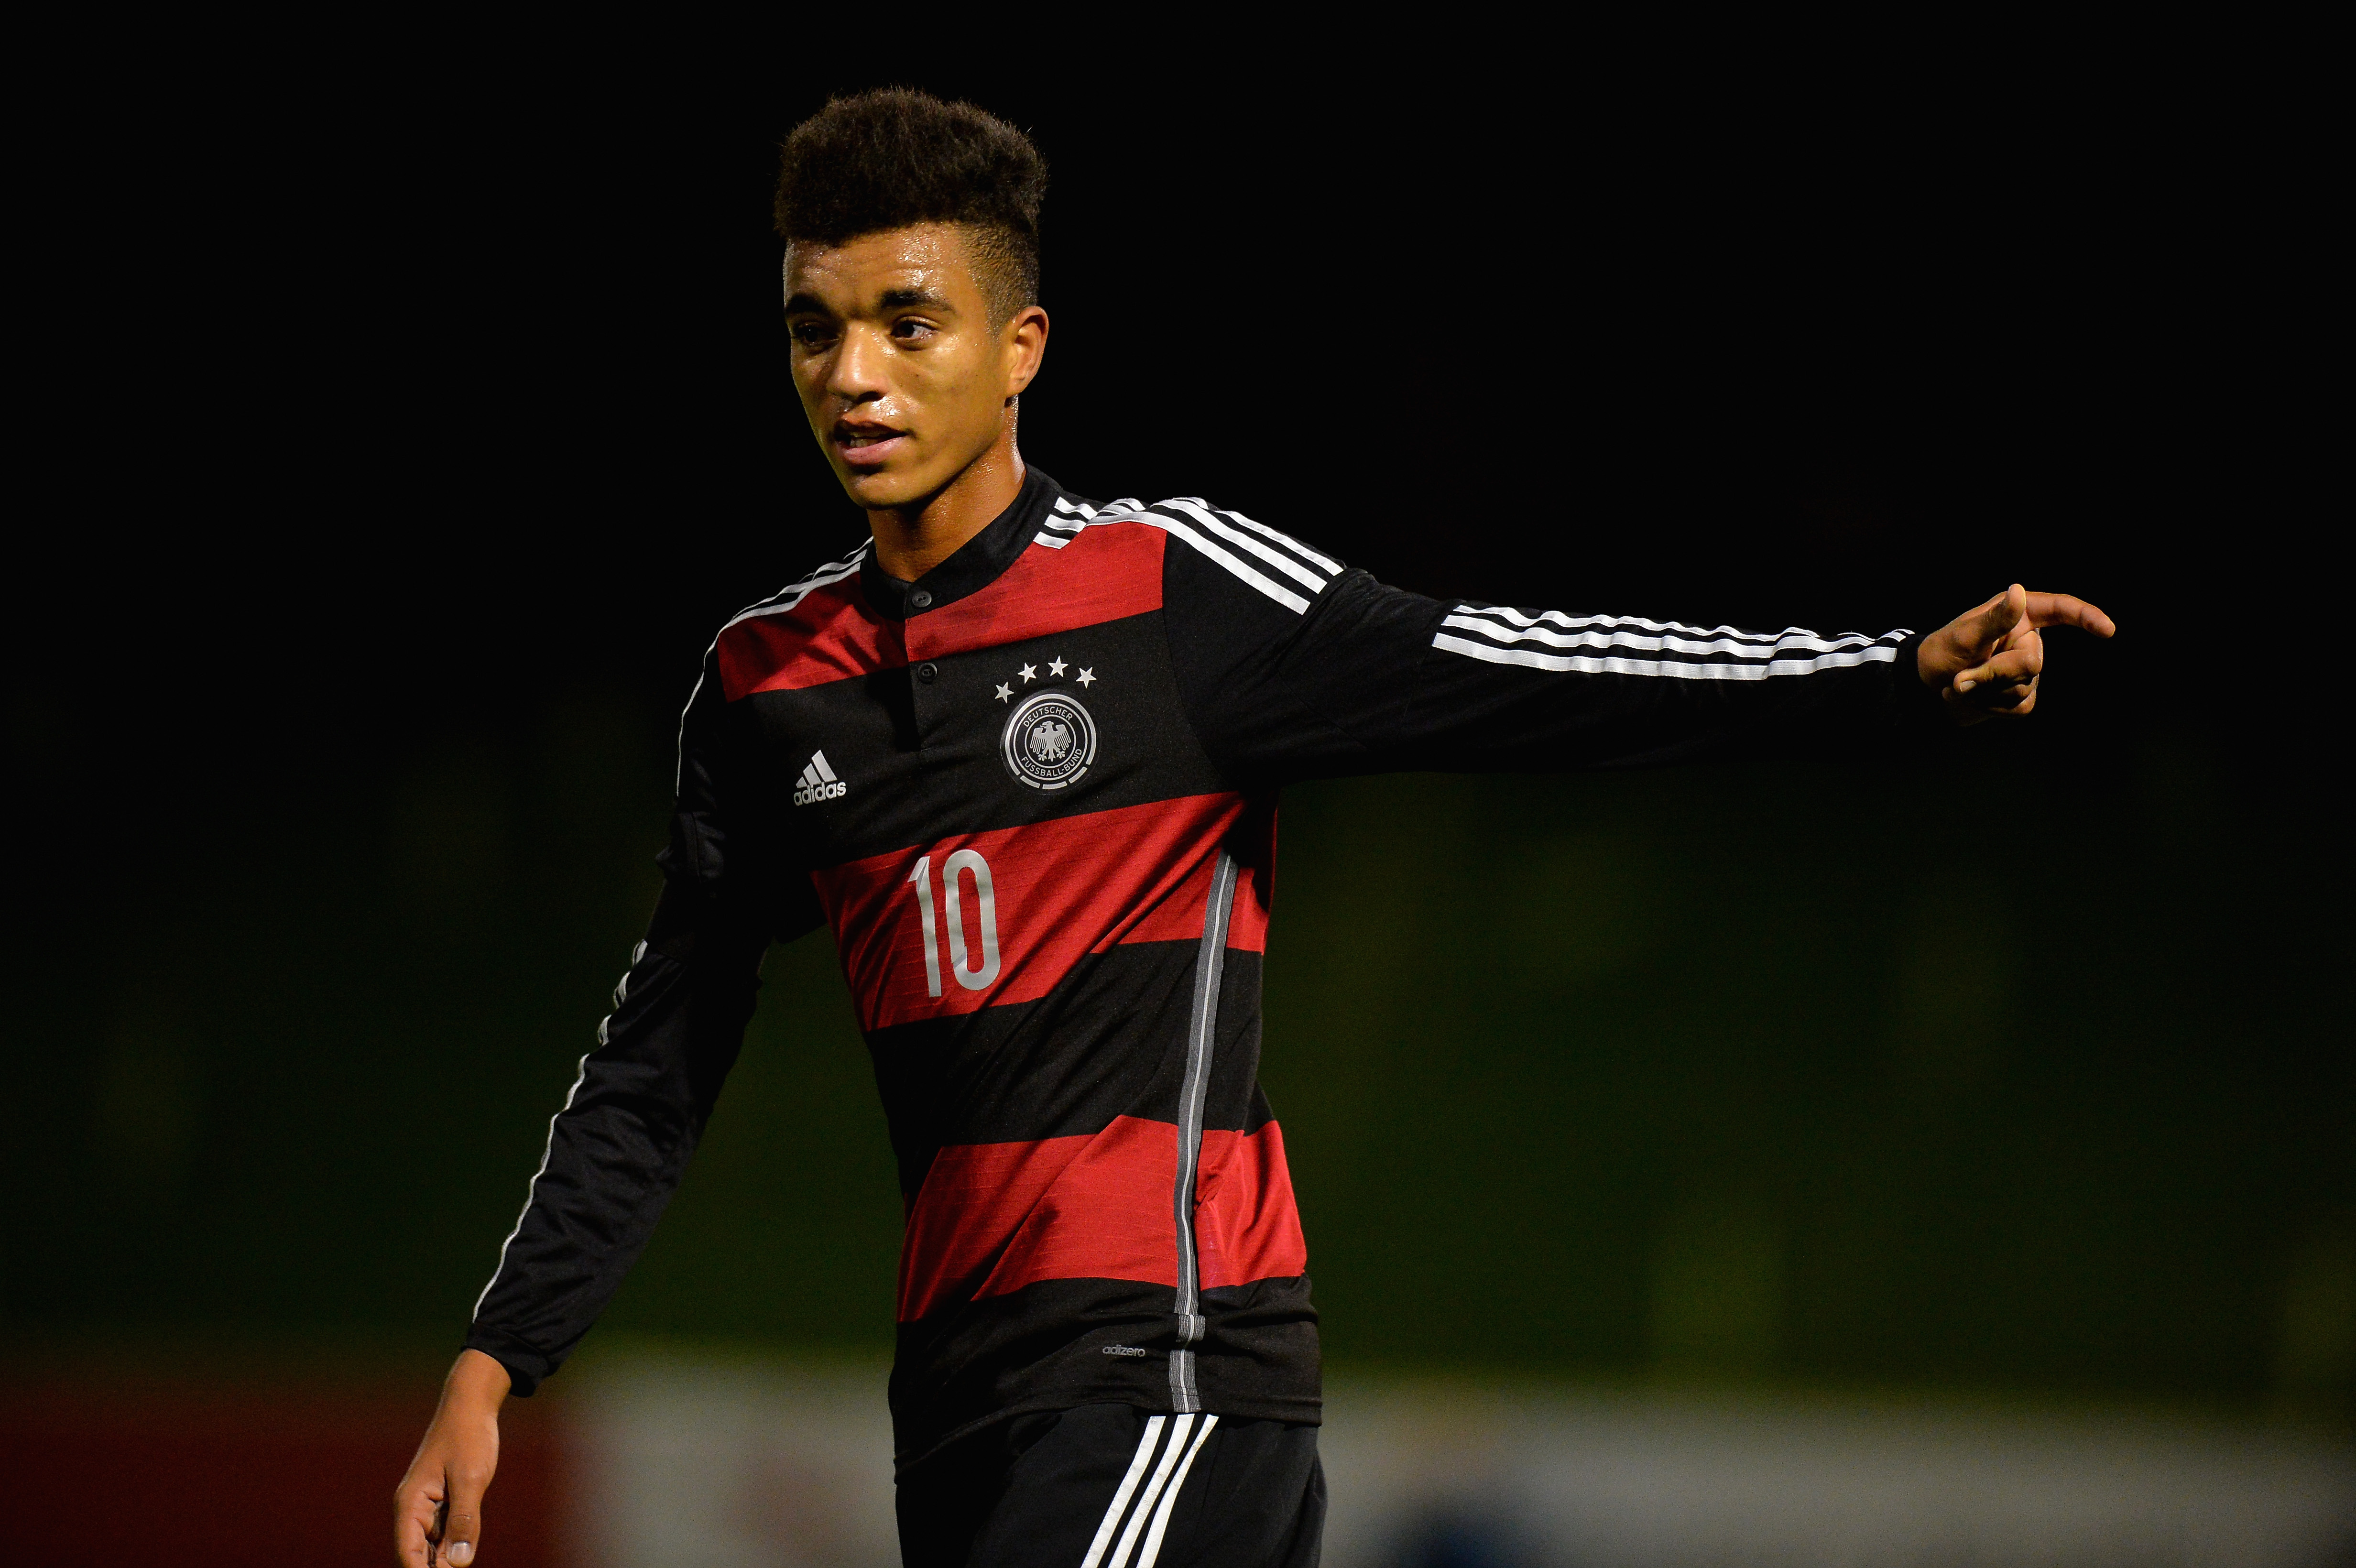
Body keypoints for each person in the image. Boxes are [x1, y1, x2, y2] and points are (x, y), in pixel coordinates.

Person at [393, 87, 2115, 1568]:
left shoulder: (1173, 597)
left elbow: (1522, 670)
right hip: (960, 1392)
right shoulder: (770, 690)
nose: (855, 375)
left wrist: (1886, 673)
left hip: (1170, 1353)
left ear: (1019, 348)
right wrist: (495, 1362)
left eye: (909, 324)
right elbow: (658, 1060)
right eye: (812, 328)